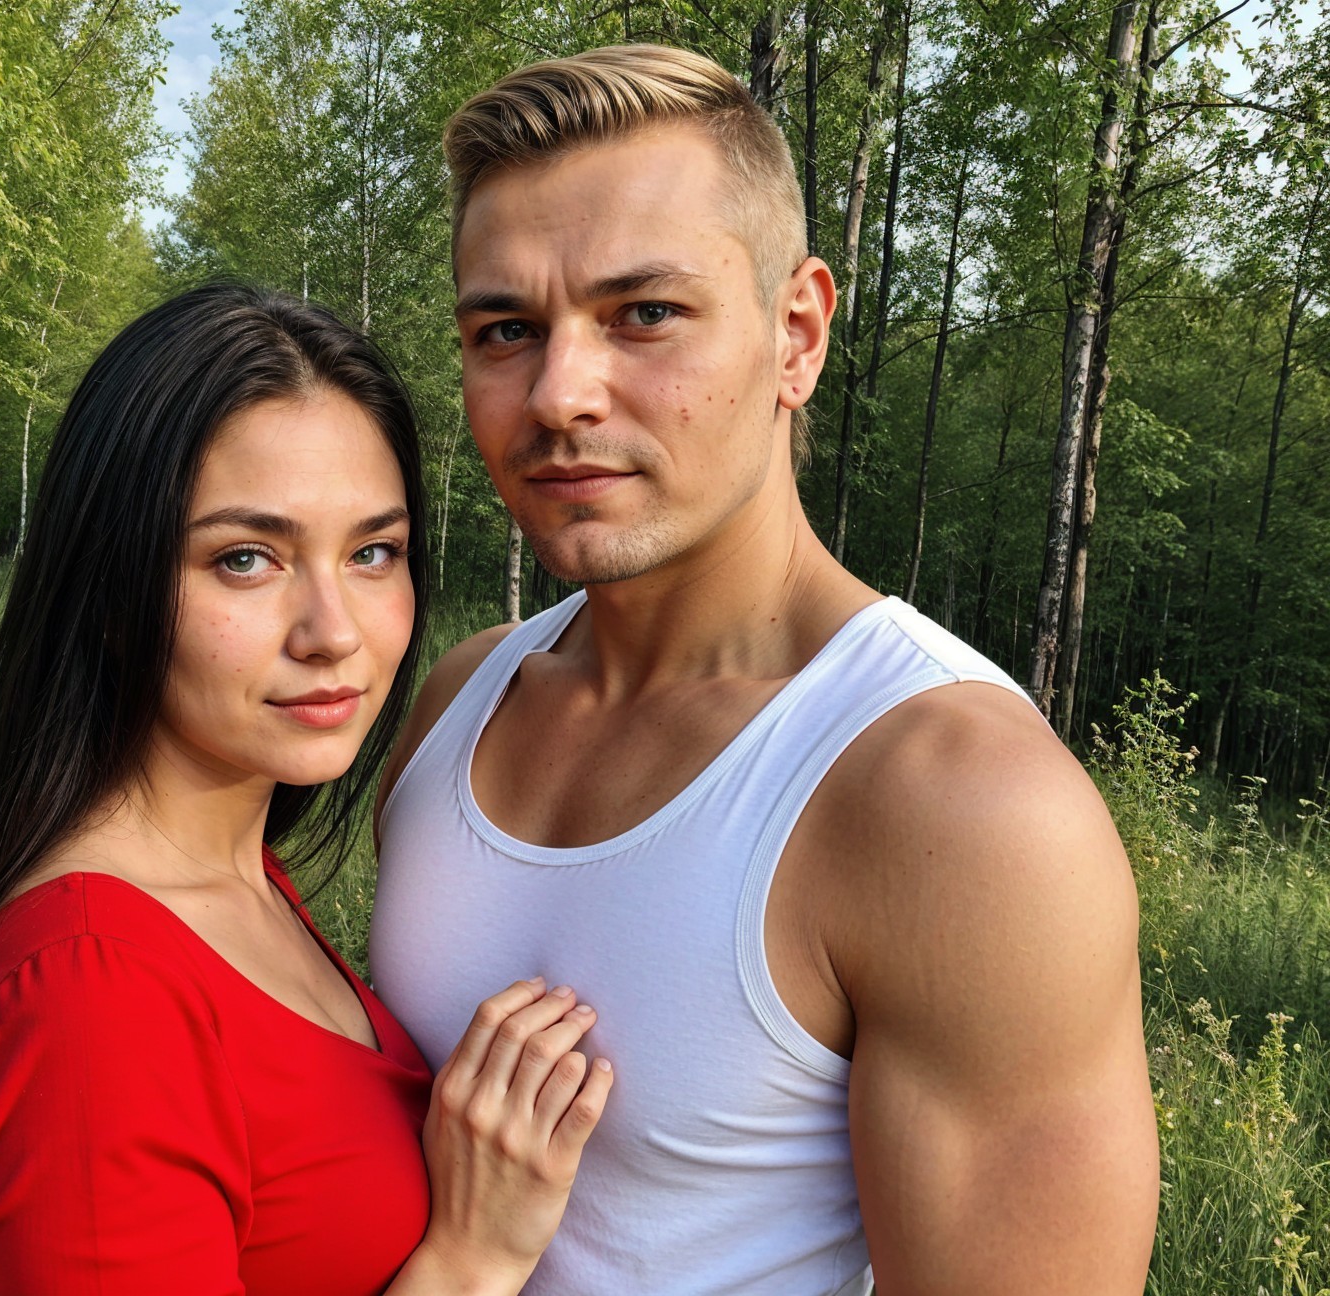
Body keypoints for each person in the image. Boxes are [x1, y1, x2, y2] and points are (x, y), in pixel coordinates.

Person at [368, 44, 1159, 1296]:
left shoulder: (957, 804)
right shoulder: (457, 704)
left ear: (796, 336)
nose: (561, 393)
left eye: (645, 315)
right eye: (507, 329)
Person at [0, 284, 613, 1295]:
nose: (333, 631)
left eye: (371, 553)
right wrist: (471, 1259)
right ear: (112, 589)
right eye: (247, 559)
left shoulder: (242, 889)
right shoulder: (93, 993)